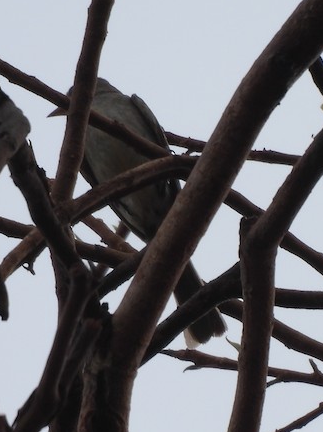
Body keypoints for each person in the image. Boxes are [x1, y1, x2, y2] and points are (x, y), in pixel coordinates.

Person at [81, 79, 227, 345]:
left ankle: (193, 307)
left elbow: (164, 154)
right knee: (170, 260)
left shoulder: (131, 103)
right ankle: (194, 306)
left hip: (162, 197)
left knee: (172, 258)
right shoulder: (79, 135)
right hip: (138, 213)